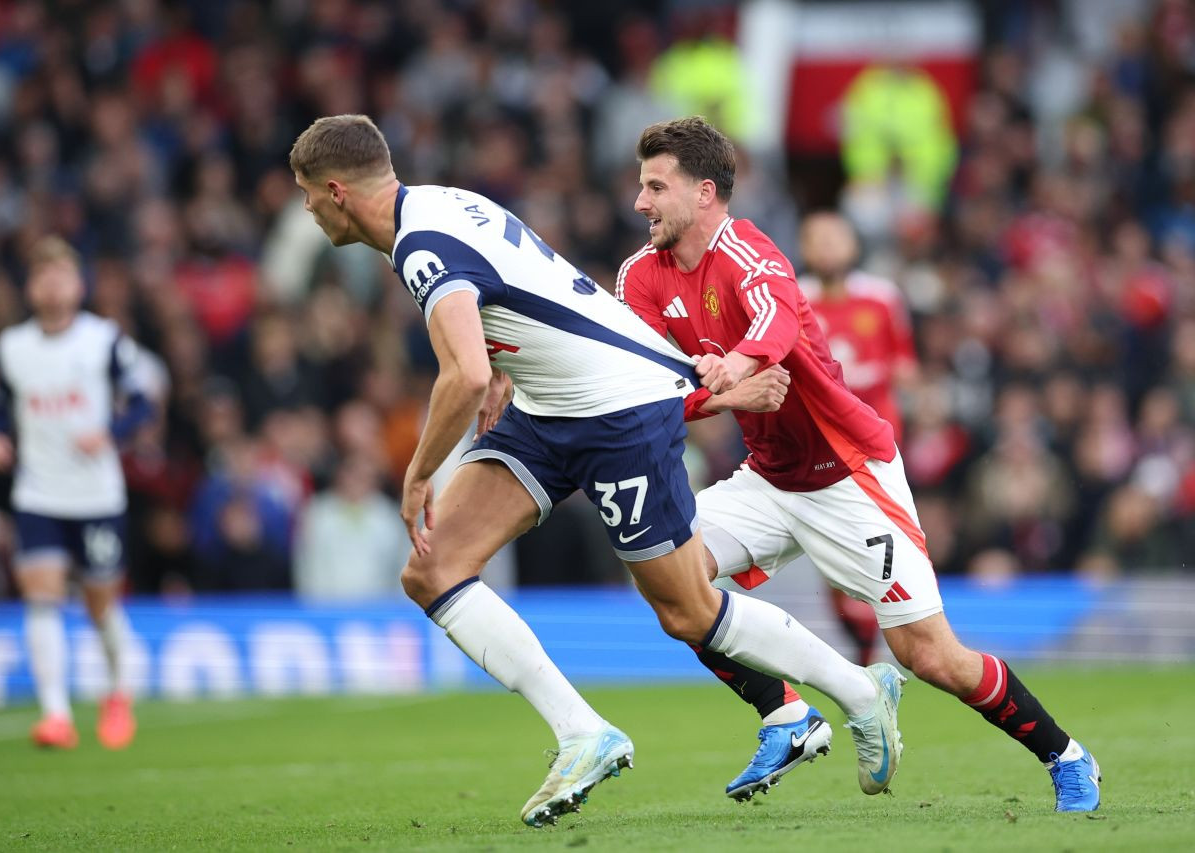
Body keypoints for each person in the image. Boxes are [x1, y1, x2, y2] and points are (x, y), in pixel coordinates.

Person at [289, 114, 903, 827]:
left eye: (307, 194)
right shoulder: (438, 202)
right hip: (550, 406)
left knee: (687, 609)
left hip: (618, 412)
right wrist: (500, 361)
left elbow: (461, 373)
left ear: (336, 191)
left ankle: (860, 691)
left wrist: (419, 472)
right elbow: (512, 294)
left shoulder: (421, 244)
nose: (306, 209)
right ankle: (582, 733)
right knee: (432, 569)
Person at [617, 116, 1101, 812]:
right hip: (769, 476)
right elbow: (625, 385)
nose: (640, 203)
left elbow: (776, 327)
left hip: (848, 472)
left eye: (655, 187)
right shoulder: (640, 275)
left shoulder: (752, 253)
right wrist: (717, 397)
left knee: (931, 656)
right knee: (670, 583)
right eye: (641, 186)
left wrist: (736, 368)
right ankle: (788, 713)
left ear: (703, 193)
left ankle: (1067, 755)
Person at [0, 236, 156, 750]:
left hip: (97, 496)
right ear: (31, 287)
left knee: (99, 604)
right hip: (38, 493)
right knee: (42, 598)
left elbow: (143, 402)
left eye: (61, 275)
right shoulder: (13, 347)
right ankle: (55, 714)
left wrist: (112, 434)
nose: (52, 285)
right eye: (42, 276)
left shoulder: (102, 340)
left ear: (78, 285)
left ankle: (117, 694)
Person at [798, 211, 921, 666]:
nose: (828, 247)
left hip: (874, 441)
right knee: (833, 550)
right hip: (818, 443)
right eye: (817, 239)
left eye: (836, 238)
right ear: (805, 248)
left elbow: (907, 365)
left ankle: (886, 638)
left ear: (853, 245)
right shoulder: (793, 298)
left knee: (876, 537)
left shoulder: (883, 298)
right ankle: (867, 644)